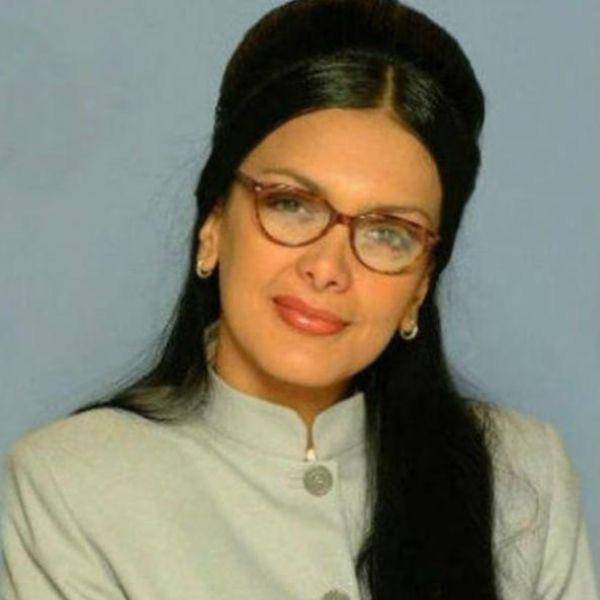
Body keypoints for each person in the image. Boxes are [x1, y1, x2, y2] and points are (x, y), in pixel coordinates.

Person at [1, 0, 597, 598]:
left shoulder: (521, 476)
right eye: (291, 204)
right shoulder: (71, 485)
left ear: (420, 283)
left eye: (389, 233)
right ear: (213, 224)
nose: (327, 268)